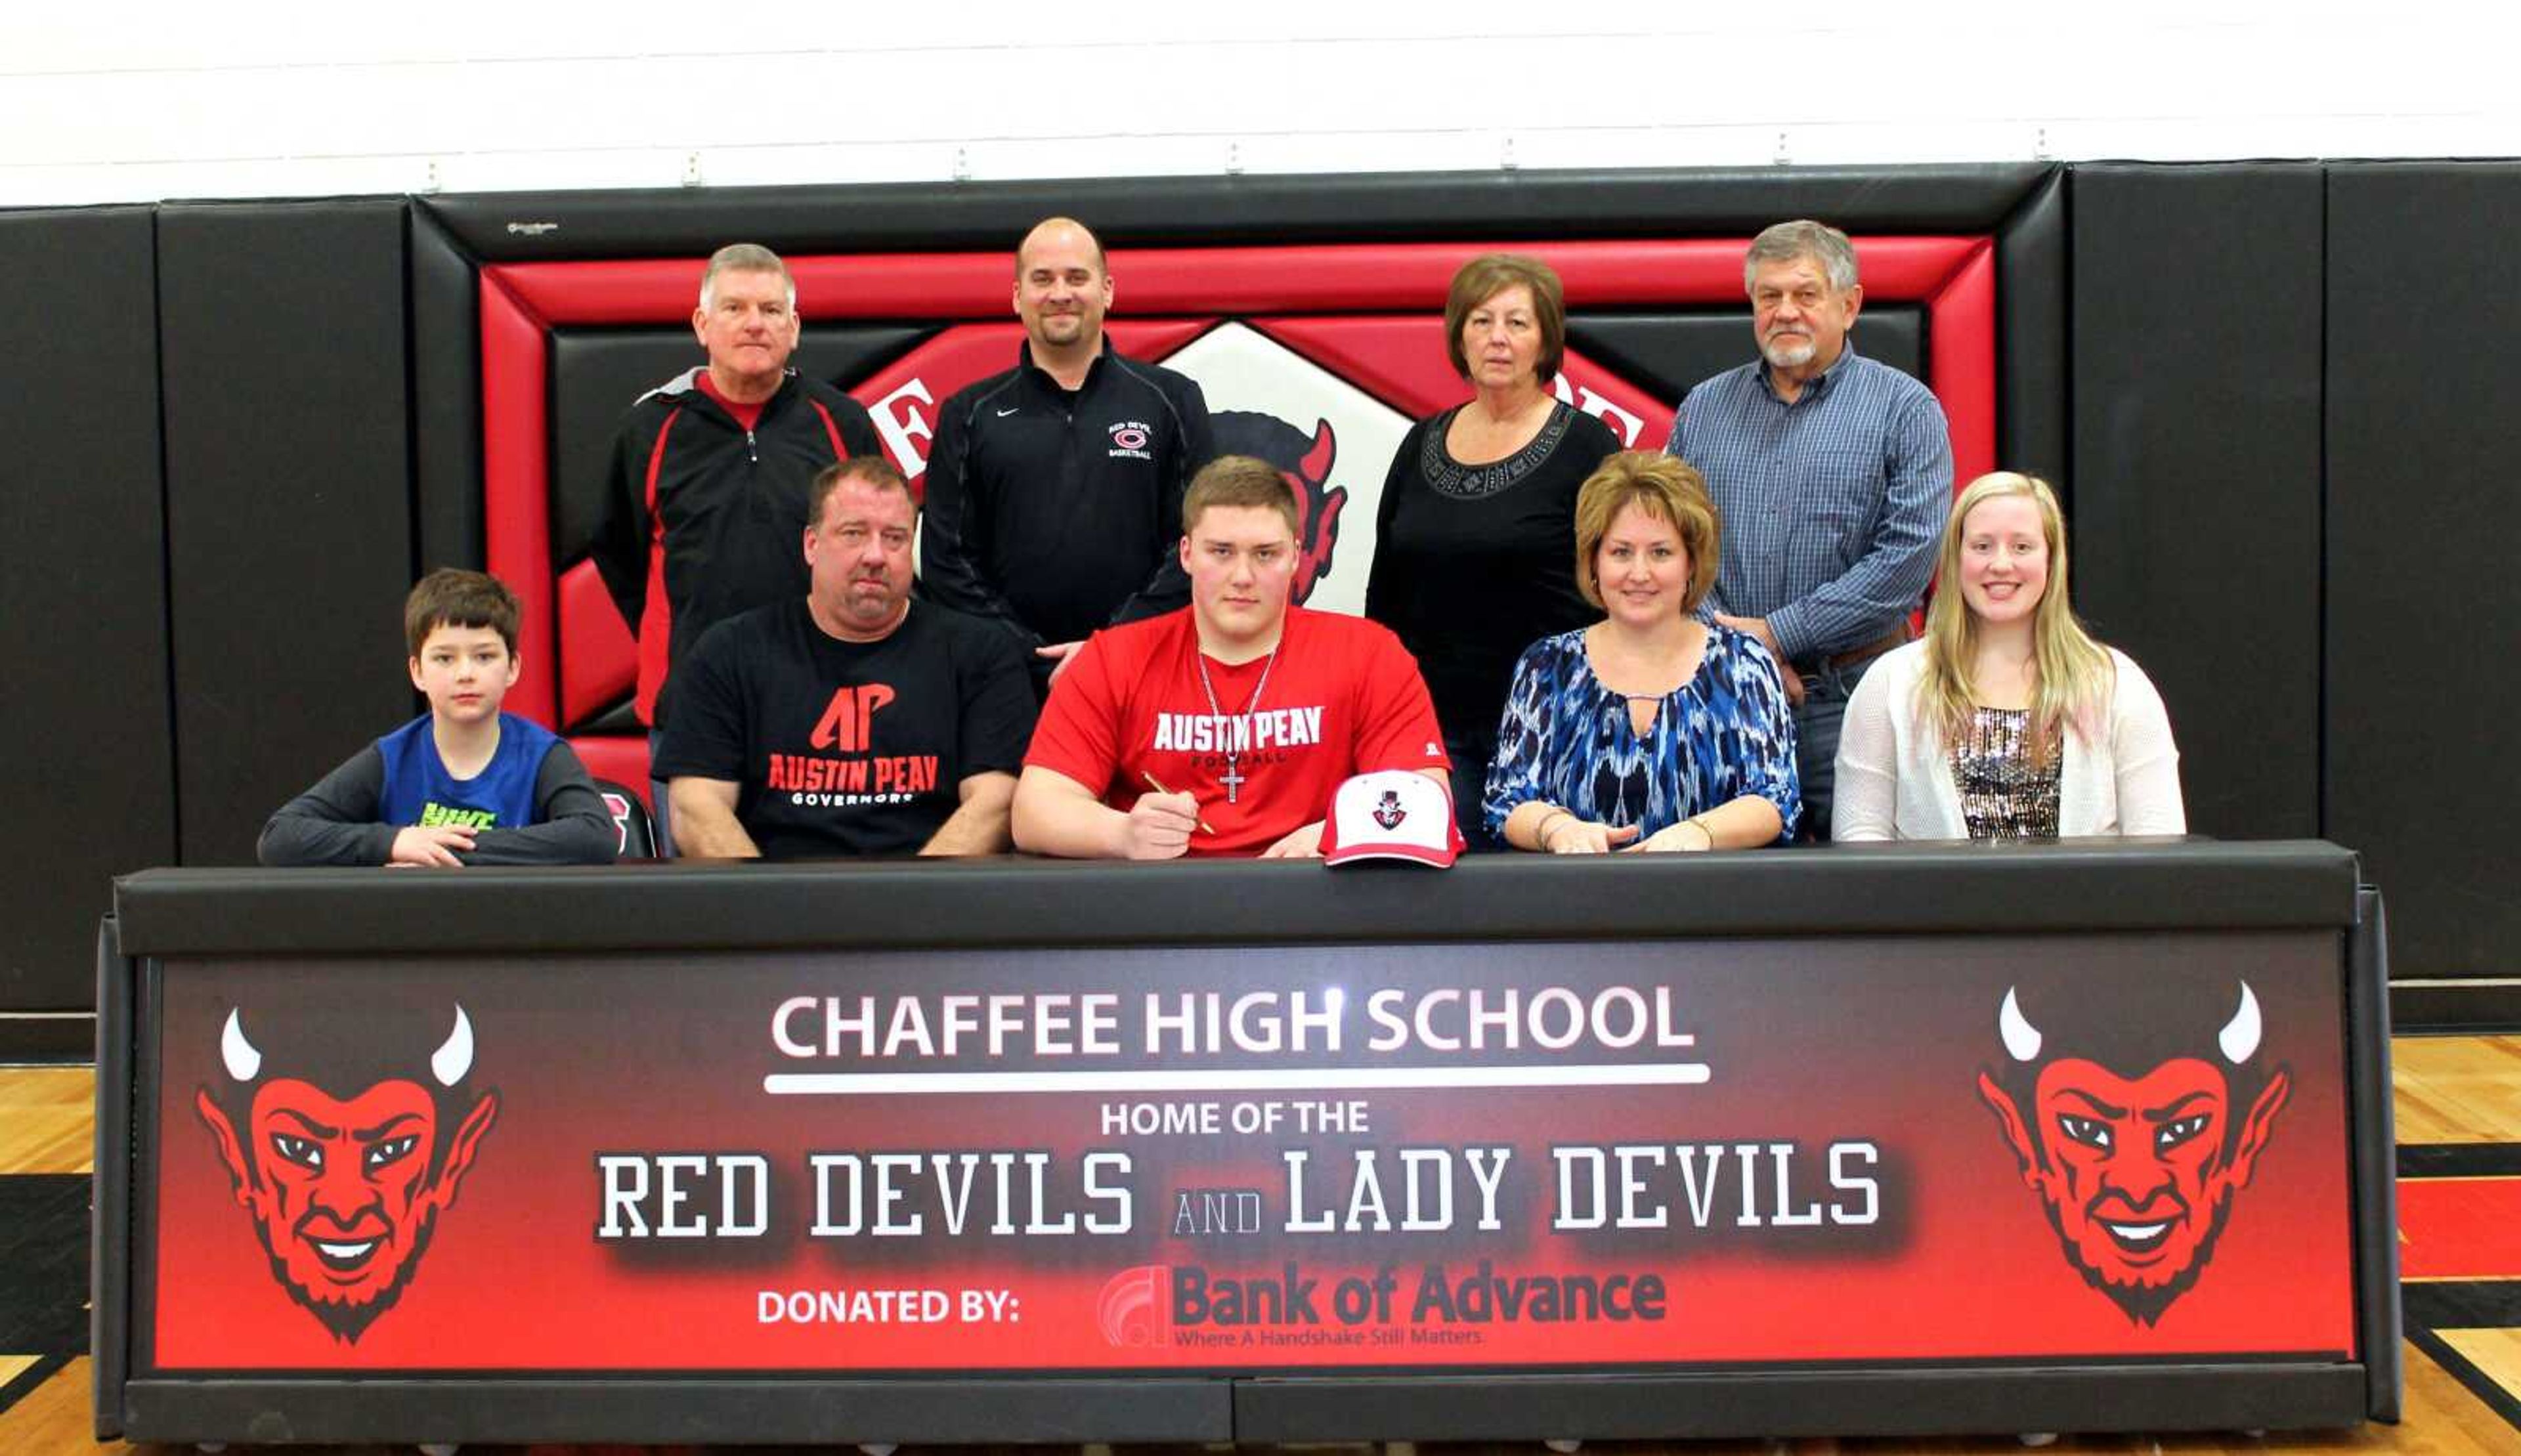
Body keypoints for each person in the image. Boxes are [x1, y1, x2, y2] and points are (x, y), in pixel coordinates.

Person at [1664, 219, 1952, 837]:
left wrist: (1776, 634)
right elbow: (1671, 541)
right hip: (1722, 692)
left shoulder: (1906, 409)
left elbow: (1905, 562)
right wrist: (1744, 649)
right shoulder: (1703, 410)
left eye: (1805, 294)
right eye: (1769, 297)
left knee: (1861, 894)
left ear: (1850, 305)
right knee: (1722, 890)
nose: (1785, 312)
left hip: (1857, 695)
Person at [587, 242, 886, 834]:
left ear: (795, 328)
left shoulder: (840, 421)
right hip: (694, 712)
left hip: (824, 708)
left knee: (820, 896)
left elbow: (879, 553)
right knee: (701, 914)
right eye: (735, 308)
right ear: (702, 324)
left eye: (773, 311)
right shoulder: (651, 426)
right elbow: (619, 554)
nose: (755, 323)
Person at [1014, 456, 1450, 859]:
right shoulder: (1114, 658)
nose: (1243, 577)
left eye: (1266, 554)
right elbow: (1035, 811)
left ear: (1297, 556)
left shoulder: (1368, 653)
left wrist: (1336, 832)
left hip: (1318, 903)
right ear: (1186, 554)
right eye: (1221, 552)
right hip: (1160, 912)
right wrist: (1123, 834)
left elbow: (1428, 800)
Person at [1364, 253, 1622, 850]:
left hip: (1557, 723)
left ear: (1546, 341)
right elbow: (1385, 589)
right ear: (1459, 337)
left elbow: (1621, 587)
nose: (1497, 339)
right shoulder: (1420, 441)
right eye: (1481, 322)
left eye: (1517, 323)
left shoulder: (1588, 445)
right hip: (1433, 730)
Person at [654, 459, 1035, 859]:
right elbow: (696, 806)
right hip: (772, 902)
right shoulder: (730, 651)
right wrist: (764, 909)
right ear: (811, 544)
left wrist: (912, 904)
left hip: (931, 905)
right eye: (854, 534)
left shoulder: (980, 653)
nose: (876, 555)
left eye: (894, 538)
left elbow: (996, 803)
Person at [920, 216, 1215, 695]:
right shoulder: (969, 413)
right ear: (1017, 296)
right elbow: (948, 566)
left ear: (1108, 290)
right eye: (1043, 279)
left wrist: (1110, 650)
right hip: (1011, 684)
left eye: (1077, 277)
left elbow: (1199, 543)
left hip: (1148, 675)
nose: (1061, 293)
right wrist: (1033, 658)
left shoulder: (1172, 401)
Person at [1832, 471, 2184, 840]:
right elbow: (1860, 839)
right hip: (1929, 901)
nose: (2000, 564)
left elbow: (2157, 843)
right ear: (1955, 560)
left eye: (2021, 547)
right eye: (1982, 546)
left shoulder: (2117, 684)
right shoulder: (1889, 683)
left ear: (2052, 559)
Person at [1485, 452, 1799, 853]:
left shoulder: (1744, 663)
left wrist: (1699, 834)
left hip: (1714, 903)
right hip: (1573, 903)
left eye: (1661, 553)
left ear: (1691, 564)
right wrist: (1557, 830)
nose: (1639, 573)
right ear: (1594, 562)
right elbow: (1507, 799)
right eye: (1621, 552)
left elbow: (1776, 798)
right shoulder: (1546, 667)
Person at [259, 570, 615, 867]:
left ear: (513, 667)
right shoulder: (393, 757)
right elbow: (280, 837)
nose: (465, 674)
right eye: (445, 658)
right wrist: (395, 841)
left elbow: (594, 836)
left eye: (484, 656)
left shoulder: (543, 755)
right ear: (417, 672)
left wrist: (444, 852)